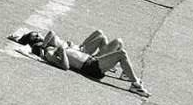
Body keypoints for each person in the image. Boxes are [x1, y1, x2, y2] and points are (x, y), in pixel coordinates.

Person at [8, 28, 150, 97]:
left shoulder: (52, 47)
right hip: (90, 67)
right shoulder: (48, 53)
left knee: (118, 43)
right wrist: (62, 51)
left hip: (92, 60)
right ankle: (135, 84)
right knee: (122, 54)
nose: (40, 34)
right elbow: (65, 67)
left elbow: (51, 34)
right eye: (36, 35)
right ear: (36, 42)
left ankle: (130, 77)